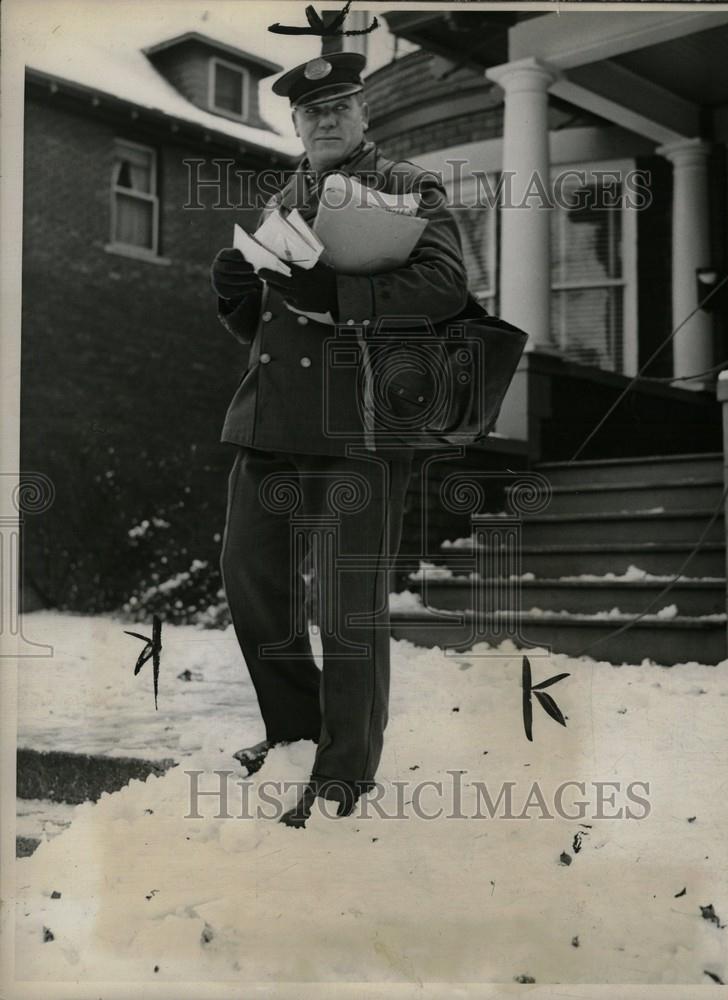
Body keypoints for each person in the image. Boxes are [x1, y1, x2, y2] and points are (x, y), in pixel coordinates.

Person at [210, 52, 468, 827]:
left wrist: (344, 294)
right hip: (270, 420)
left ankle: (341, 779)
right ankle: (293, 736)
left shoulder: (406, 183)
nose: (325, 119)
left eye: (340, 106)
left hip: (354, 424)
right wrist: (233, 297)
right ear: (295, 123)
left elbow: (446, 285)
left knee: (349, 604)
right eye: (310, 110)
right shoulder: (283, 196)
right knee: (251, 579)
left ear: (364, 115)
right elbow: (271, 318)